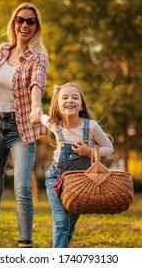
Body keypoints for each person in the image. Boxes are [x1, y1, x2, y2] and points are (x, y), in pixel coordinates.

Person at [0, 2, 48, 248]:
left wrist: (36, 105)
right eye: (20, 20)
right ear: (14, 23)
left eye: (30, 21)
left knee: (22, 189)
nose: (24, 25)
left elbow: (36, 84)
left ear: (36, 26)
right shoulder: (3, 50)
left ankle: (25, 246)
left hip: (21, 129)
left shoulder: (38, 58)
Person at [41, 82, 114, 248]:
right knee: (61, 221)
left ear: (81, 105)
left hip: (81, 184)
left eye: (75, 97)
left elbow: (109, 147)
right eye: (65, 98)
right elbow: (40, 115)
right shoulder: (55, 125)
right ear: (58, 105)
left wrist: (89, 151)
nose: (70, 100)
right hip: (56, 180)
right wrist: (37, 108)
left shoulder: (91, 127)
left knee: (69, 224)